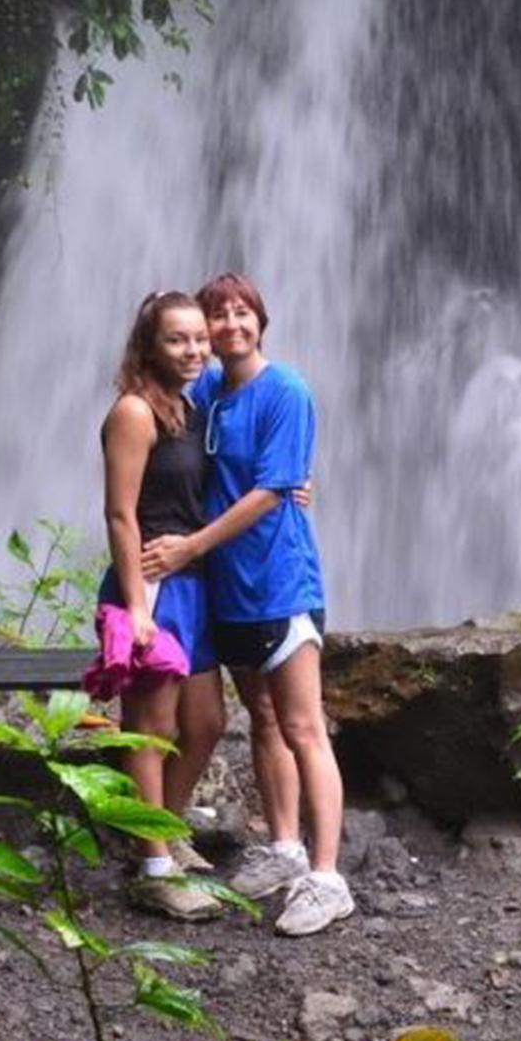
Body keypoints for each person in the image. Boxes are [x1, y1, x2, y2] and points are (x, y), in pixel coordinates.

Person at [142, 273, 351, 937]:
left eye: (241, 314)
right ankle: (285, 847)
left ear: (261, 320)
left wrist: (189, 546)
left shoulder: (285, 390)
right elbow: (160, 419)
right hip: (225, 591)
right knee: (260, 717)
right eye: (216, 318)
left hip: (280, 582)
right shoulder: (207, 390)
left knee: (303, 727)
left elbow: (270, 490)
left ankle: (326, 877)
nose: (228, 326)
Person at [97, 291, 229, 921]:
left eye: (200, 338)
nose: (194, 350)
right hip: (149, 584)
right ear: (149, 345)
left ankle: (162, 829)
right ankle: (153, 868)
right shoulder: (134, 411)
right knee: (154, 727)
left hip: (193, 583)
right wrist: (135, 608)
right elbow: (120, 513)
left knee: (205, 722)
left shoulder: (192, 408)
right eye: (178, 339)